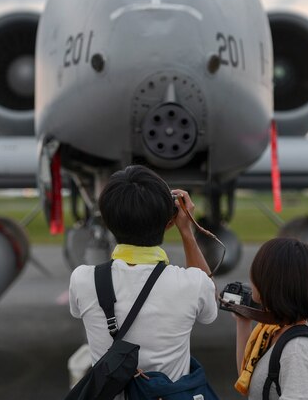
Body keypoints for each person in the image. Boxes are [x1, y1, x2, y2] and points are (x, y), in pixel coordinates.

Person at [69, 164, 217, 392]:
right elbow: (209, 311)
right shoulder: (192, 284)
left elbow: (77, 312)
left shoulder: (82, 280)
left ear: (108, 222)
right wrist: (187, 231)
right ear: (169, 222)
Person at [234, 237, 308, 399]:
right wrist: (243, 322)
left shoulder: (297, 351)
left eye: (257, 272)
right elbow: (249, 380)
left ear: (271, 282)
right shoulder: (277, 328)